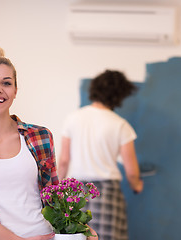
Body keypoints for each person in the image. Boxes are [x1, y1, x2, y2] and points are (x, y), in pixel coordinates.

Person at [0, 46, 96, 240]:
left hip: (45, 235)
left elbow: (54, 197)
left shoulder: (40, 136)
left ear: (15, 90)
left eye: (6, 83)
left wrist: (81, 228)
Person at [58, 70, 144, 240]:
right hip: (107, 193)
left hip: (77, 193)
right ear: (119, 96)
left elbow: (63, 161)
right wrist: (137, 185)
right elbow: (132, 172)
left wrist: (58, 194)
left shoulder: (73, 118)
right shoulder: (120, 125)